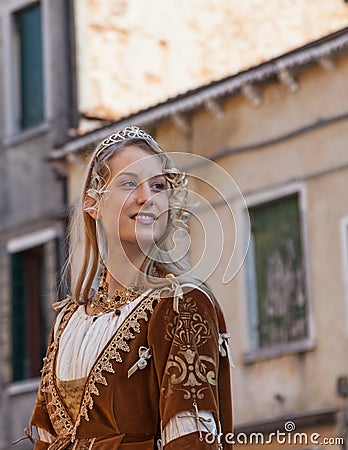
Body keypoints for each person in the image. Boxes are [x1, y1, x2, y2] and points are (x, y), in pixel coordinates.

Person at [29, 126, 233, 449]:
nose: (146, 198)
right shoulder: (67, 323)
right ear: (92, 204)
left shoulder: (183, 306)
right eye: (128, 184)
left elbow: (192, 441)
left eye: (158, 186)